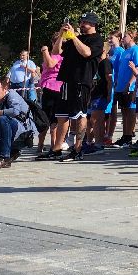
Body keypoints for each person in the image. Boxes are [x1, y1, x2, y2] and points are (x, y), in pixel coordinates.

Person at [52, 13, 102, 163]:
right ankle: (57, 148)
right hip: (67, 80)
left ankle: (78, 148)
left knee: (80, 115)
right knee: (62, 115)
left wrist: (73, 37)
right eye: (81, 21)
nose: (82, 24)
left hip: (81, 81)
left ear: (93, 24)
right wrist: (61, 35)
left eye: (85, 22)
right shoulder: (77, 38)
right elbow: (56, 52)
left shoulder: (97, 40)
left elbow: (87, 53)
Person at [108, 31, 138, 146]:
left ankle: (129, 136)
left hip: (130, 86)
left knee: (130, 111)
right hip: (120, 86)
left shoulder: (136, 50)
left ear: (132, 37)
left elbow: (136, 68)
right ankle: (125, 135)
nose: (123, 38)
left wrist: (129, 84)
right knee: (124, 111)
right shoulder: (125, 51)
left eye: (125, 36)